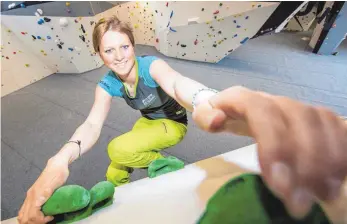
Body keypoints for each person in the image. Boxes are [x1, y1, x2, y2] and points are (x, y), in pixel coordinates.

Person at [18, 16, 347, 224]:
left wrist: (206, 98)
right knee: (114, 168)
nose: (118, 56)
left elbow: (176, 83)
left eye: (124, 47)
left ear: (134, 47)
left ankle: (163, 166)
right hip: (149, 122)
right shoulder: (108, 83)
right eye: (109, 51)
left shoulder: (150, 66)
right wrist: (58, 159)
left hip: (171, 124)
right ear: (99, 54)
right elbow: (91, 125)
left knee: (119, 147)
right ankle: (118, 202)